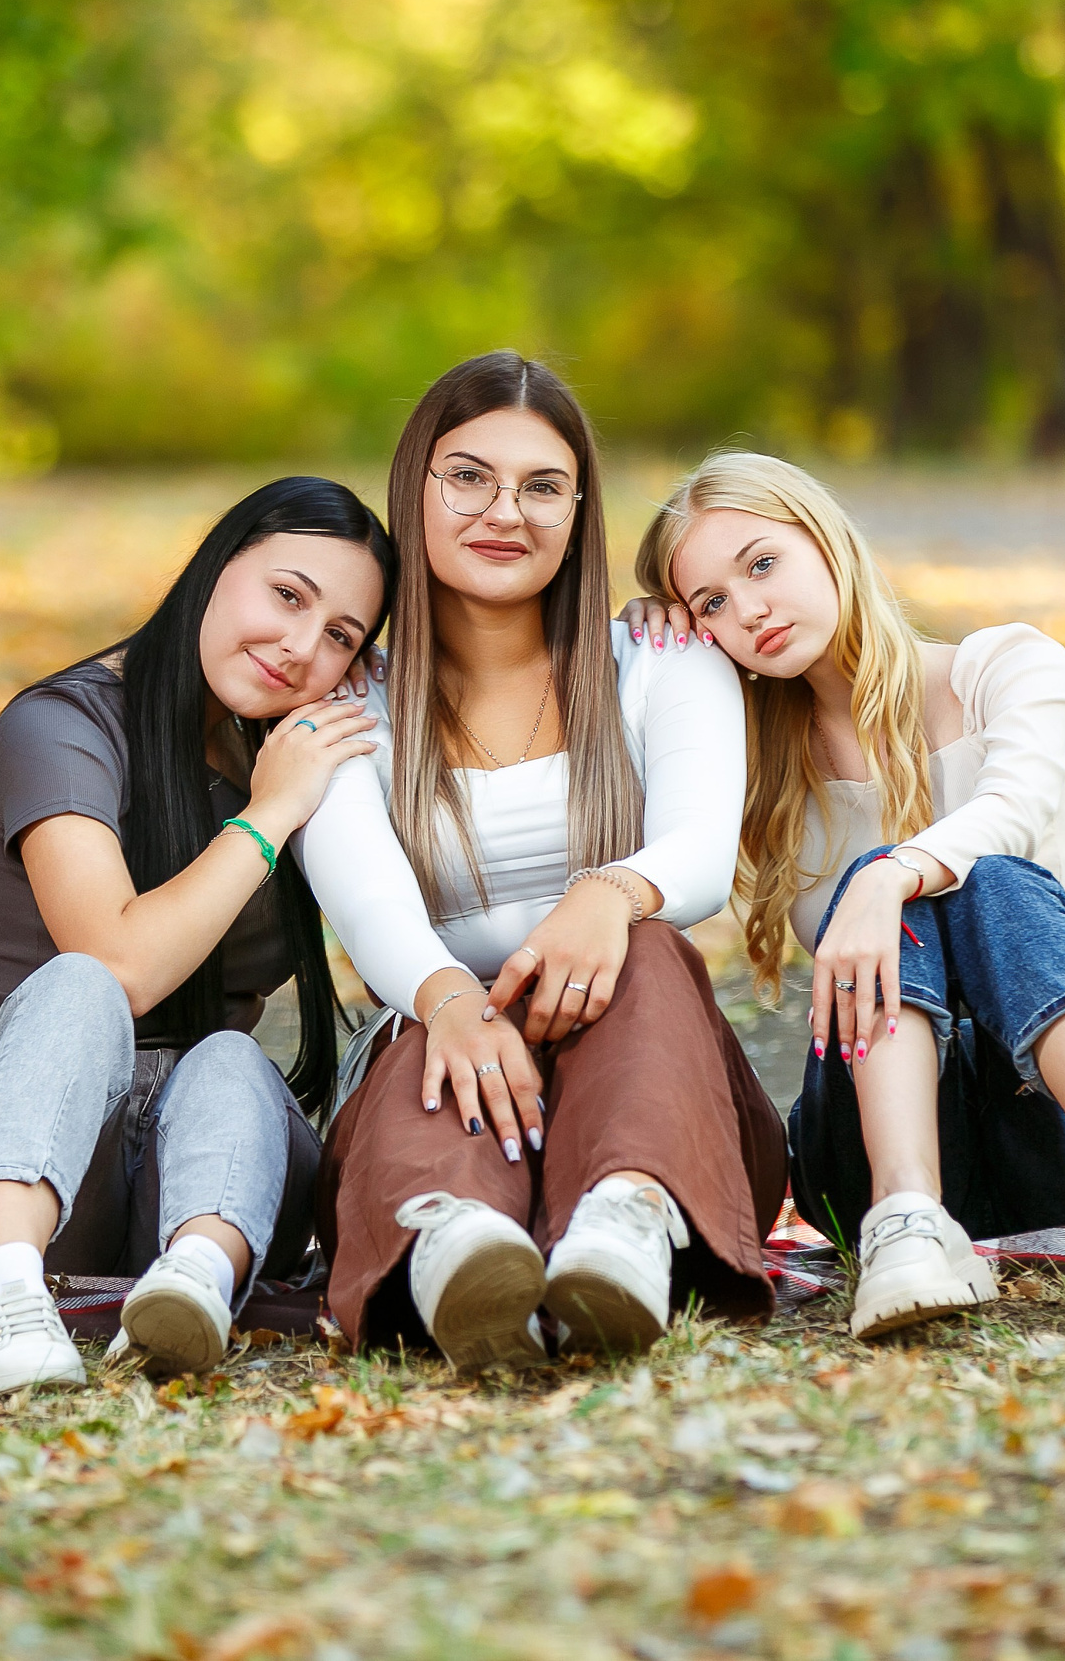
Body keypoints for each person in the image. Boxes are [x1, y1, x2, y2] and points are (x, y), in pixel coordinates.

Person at [625, 451, 1065, 1339]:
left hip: (1057, 1134)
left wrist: (889, 873)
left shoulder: (1005, 668)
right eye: (709, 602)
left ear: (826, 540)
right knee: (889, 904)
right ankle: (911, 1219)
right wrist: (648, 658)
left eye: (761, 564)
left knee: (991, 882)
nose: (747, 609)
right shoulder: (751, 763)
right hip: (865, 1161)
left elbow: (1012, 807)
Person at [297, 352, 786, 1373]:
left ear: (578, 512)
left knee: (649, 951)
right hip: (444, 1045)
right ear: (415, 491)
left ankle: (624, 1227)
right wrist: (450, 1001)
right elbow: (371, 906)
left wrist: (605, 894)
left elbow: (698, 848)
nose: (503, 512)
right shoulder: (349, 707)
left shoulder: (661, 662)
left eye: (542, 486)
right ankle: (458, 1252)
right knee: (420, 1030)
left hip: (649, 1072)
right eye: (467, 477)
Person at [0, 476, 395, 1395]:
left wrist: (663, 625)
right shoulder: (61, 726)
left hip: (207, 1165)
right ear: (215, 567)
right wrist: (270, 816)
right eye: (287, 595)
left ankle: (194, 1291)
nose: (301, 647)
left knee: (226, 1056)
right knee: (82, 983)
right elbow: (124, 963)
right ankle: (7, 1299)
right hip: (12, 1157)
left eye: (341, 635)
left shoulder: (294, 752)